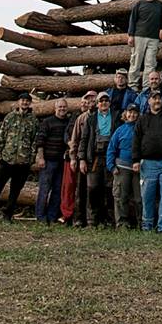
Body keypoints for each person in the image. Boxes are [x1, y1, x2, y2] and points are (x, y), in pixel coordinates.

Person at [0, 92, 38, 221]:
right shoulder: (10, 117)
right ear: (18, 102)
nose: (25, 102)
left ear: (30, 103)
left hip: (22, 162)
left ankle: (7, 215)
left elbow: (34, 141)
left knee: (15, 192)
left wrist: (30, 159)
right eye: (22, 100)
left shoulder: (33, 121)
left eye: (27, 101)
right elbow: (1, 136)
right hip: (6, 159)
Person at [132, 90, 162, 233]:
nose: (157, 101)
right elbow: (136, 141)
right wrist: (135, 160)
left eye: (159, 98)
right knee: (147, 195)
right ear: (148, 101)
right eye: (154, 99)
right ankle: (147, 225)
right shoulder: (142, 119)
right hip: (147, 163)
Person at [78, 92, 115, 227]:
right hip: (94, 158)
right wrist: (81, 158)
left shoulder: (116, 117)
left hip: (110, 157)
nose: (103, 103)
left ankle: (109, 220)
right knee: (93, 188)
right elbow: (84, 139)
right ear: (97, 103)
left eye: (106, 100)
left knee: (109, 189)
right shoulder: (91, 119)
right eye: (101, 101)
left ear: (109, 102)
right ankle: (92, 220)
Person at [127, 0, 162, 91]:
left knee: (150, 64)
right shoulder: (139, 4)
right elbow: (132, 20)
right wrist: (130, 35)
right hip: (139, 36)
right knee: (136, 62)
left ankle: (147, 87)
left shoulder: (160, 5)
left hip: (154, 38)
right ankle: (132, 86)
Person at [106, 104, 142, 229]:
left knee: (139, 197)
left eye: (135, 112)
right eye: (129, 112)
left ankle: (141, 223)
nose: (132, 115)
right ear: (125, 114)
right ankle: (122, 223)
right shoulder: (120, 130)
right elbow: (111, 148)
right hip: (122, 168)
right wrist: (111, 166)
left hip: (139, 169)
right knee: (121, 197)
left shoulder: (142, 129)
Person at [35, 97, 70, 224]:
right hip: (48, 161)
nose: (62, 109)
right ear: (55, 108)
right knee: (44, 190)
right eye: (60, 107)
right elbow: (40, 141)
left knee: (57, 190)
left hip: (62, 162)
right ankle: (40, 216)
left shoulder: (68, 122)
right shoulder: (47, 122)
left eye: (64, 107)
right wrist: (41, 157)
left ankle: (52, 216)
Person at [67, 90, 97, 227]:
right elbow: (75, 139)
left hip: (96, 159)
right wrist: (74, 158)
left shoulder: (102, 116)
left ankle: (93, 219)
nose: (91, 101)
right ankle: (78, 219)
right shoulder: (82, 118)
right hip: (82, 158)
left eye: (93, 99)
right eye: (88, 99)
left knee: (94, 190)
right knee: (80, 189)